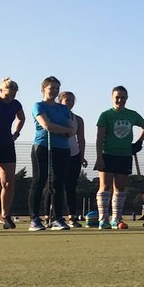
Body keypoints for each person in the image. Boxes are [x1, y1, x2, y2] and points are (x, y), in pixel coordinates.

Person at [94, 86, 144, 229]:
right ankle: (103, 220)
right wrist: (99, 157)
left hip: (125, 155)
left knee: (119, 187)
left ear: (127, 98)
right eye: (117, 97)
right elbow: (99, 138)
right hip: (108, 154)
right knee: (105, 187)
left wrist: (138, 142)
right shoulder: (105, 115)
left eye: (123, 97)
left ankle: (116, 219)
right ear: (112, 97)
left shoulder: (132, 114)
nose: (120, 100)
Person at [29, 76, 75, 231]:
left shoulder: (63, 108)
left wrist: (63, 130)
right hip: (43, 146)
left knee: (59, 183)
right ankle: (35, 218)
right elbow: (47, 125)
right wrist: (63, 130)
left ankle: (57, 218)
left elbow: (72, 129)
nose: (54, 91)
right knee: (39, 181)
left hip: (62, 148)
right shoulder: (38, 106)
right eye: (51, 88)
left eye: (57, 88)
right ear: (43, 89)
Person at [0, 76, 24, 230]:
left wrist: (16, 134)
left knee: (8, 183)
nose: (10, 98)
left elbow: (21, 118)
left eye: (13, 95)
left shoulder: (16, 104)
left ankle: (4, 215)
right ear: (1, 90)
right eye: (8, 95)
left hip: (7, 145)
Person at [58, 91, 87, 228]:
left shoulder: (78, 119)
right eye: (66, 100)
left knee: (71, 187)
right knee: (55, 186)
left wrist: (82, 156)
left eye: (71, 100)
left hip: (74, 155)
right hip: (58, 153)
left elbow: (80, 139)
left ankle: (71, 216)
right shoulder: (56, 116)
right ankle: (51, 215)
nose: (69, 102)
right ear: (60, 101)